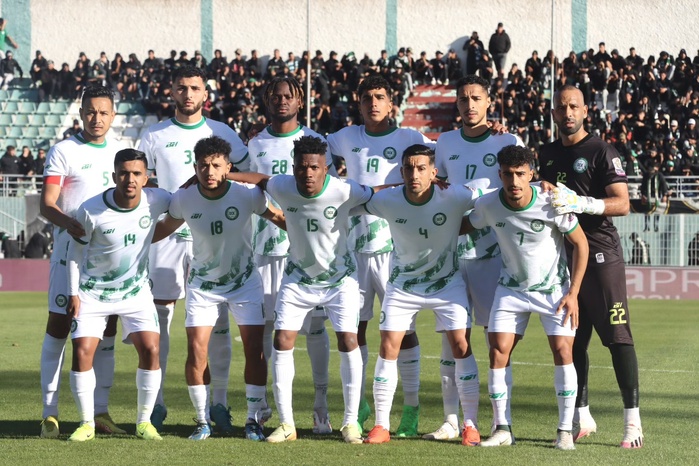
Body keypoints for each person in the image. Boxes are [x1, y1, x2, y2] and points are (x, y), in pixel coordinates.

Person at [228, 135, 372, 444]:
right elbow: (261, 179)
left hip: (340, 280)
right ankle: (287, 424)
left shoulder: (345, 190)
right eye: (302, 167)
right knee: (282, 340)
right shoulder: (283, 186)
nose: (308, 173)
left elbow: (377, 193)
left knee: (349, 340)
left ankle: (350, 423)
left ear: (325, 169)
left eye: (314, 167)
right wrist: (224, 174)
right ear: (293, 168)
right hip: (297, 279)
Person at [137, 65, 249, 432]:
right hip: (169, 237)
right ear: (172, 91)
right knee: (162, 319)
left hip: (213, 238)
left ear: (205, 93)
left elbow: (244, 175)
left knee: (218, 323)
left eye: (195, 88)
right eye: (182, 87)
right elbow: (141, 183)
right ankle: (157, 404)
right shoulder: (154, 135)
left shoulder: (223, 132)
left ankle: (219, 404)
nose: (188, 94)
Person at [153, 136, 285, 441]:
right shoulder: (183, 198)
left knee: (254, 349)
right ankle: (202, 421)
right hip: (203, 286)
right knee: (197, 349)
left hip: (244, 283)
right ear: (195, 167)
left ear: (228, 167)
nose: (209, 171)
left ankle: (253, 420)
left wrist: (311, 237)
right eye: (203, 165)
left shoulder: (247, 195)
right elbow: (162, 229)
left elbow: (279, 217)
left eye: (216, 165)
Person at [327, 74, 433, 437]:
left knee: (404, 331)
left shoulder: (410, 138)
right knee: (353, 330)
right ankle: (358, 407)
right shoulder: (344, 138)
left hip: (395, 251)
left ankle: (411, 411)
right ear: (358, 103)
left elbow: (447, 157)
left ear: (391, 103)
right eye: (367, 97)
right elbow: (309, 150)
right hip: (353, 250)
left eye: (380, 96)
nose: (373, 103)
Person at [540, 84, 644, 449]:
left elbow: (622, 203)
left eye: (574, 106)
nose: (567, 112)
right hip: (563, 257)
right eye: (561, 107)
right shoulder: (546, 153)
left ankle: (633, 423)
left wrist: (581, 202)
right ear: (553, 113)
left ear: (586, 111)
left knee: (617, 337)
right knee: (573, 338)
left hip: (600, 255)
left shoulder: (601, 150)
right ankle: (582, 416)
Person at [358, 144, 482, 446]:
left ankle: (470, 424)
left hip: (447, 284)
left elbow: (492, 198)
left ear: (434, 172)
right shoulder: (388, 199)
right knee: (388, 346)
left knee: (461, 345)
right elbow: (354, 199)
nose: (415, 174)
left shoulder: (455, 195)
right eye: (409, 168)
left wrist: (540, 184)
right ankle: (381, 425)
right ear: (401, 172)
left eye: (422, 168)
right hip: (403, 286)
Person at [466, 145, 588, 450]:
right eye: (508, 174)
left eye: (520, 174)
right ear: (500, 175)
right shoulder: (488, 204)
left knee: (563, 351)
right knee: (498, 352)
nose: (514, 181)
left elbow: (581, 244)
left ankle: (564, 430)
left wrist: (573, 293)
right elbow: (463, 223)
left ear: (531, 174)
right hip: (511, 290)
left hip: (554, 291)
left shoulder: (551, 201)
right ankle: (502, 428)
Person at [431, 74, 523, 441]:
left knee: (497, 340)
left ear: (488, 102)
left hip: (492, 253)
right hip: (452, 254)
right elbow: (438, 184)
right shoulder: (445, 142)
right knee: (451, 338)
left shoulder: (507, 141)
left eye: (476, 98)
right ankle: (452, 420)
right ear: (457, 103)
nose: (469, 105)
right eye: (463, 99)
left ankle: (502, 421)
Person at [246, 76, 335, 434]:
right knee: (269, 327)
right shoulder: (255, 143)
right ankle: (267, 407)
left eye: (288, 96)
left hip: (309, 250)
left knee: (315, 328)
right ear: (267, 100)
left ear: (300, 100)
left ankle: (320, 407)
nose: (282, 101)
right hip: (266, 247)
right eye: (275, 96)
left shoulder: (316, 141)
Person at [39, 85, 128, 439]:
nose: (97, 118)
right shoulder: (64, 150)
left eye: (103, 112)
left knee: (107, 330)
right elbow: (47, 204)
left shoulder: (121, 151)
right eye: (90, 111)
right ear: (81, 114)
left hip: (107, 259)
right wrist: (69, 223)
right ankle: (49, 414)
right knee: (59, 326)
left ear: (113, 115)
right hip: (69, 254)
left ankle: (100, 412)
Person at [65, 149, 171, 442]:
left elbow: (187, 200)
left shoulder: (158, 200)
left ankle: (143, 423)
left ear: (146, 178)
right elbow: (74, 252)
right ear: (114, 176)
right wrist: (73, 293)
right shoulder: (90, 209)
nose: (130, 179)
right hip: (93, 292)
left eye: (136, 173)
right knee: (82, 351)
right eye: (124, 173)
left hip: (135, 292)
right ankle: (86, 423)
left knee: (151, 349)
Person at [640, 161, 669, 232]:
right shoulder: (646, 175)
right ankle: (647, 226)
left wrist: (665, 195)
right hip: (648, 196)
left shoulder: (659, 175)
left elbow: (663, 185)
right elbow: (643, 185)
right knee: (647, 212)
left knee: (657, 211)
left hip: (657, 196)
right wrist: (642, 195)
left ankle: (656, 226)